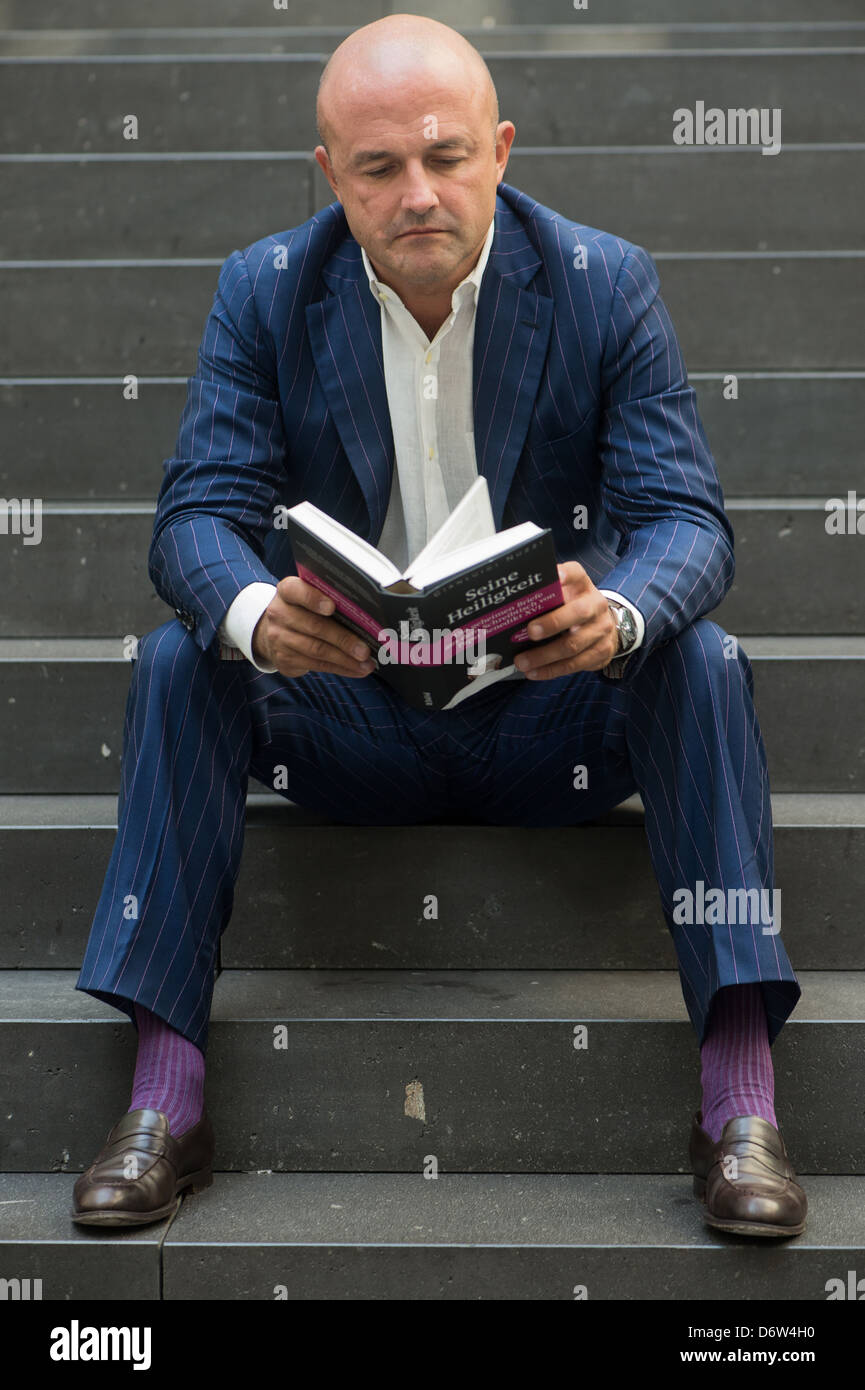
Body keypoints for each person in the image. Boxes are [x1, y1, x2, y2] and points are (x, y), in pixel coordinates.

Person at [71, 13, 806, 1238]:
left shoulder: (601, 281)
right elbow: (193, 516)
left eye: (445, 156)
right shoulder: (263, 290)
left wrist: (611, 615)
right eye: (377, 169)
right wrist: (263, 614)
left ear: (501, 150)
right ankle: (165, 1099)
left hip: (546, 721)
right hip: (349, 725)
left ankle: (740, 1102)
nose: (418, 192)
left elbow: (686, 520)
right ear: (330, 178)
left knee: (699, 652)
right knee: (181, 651)